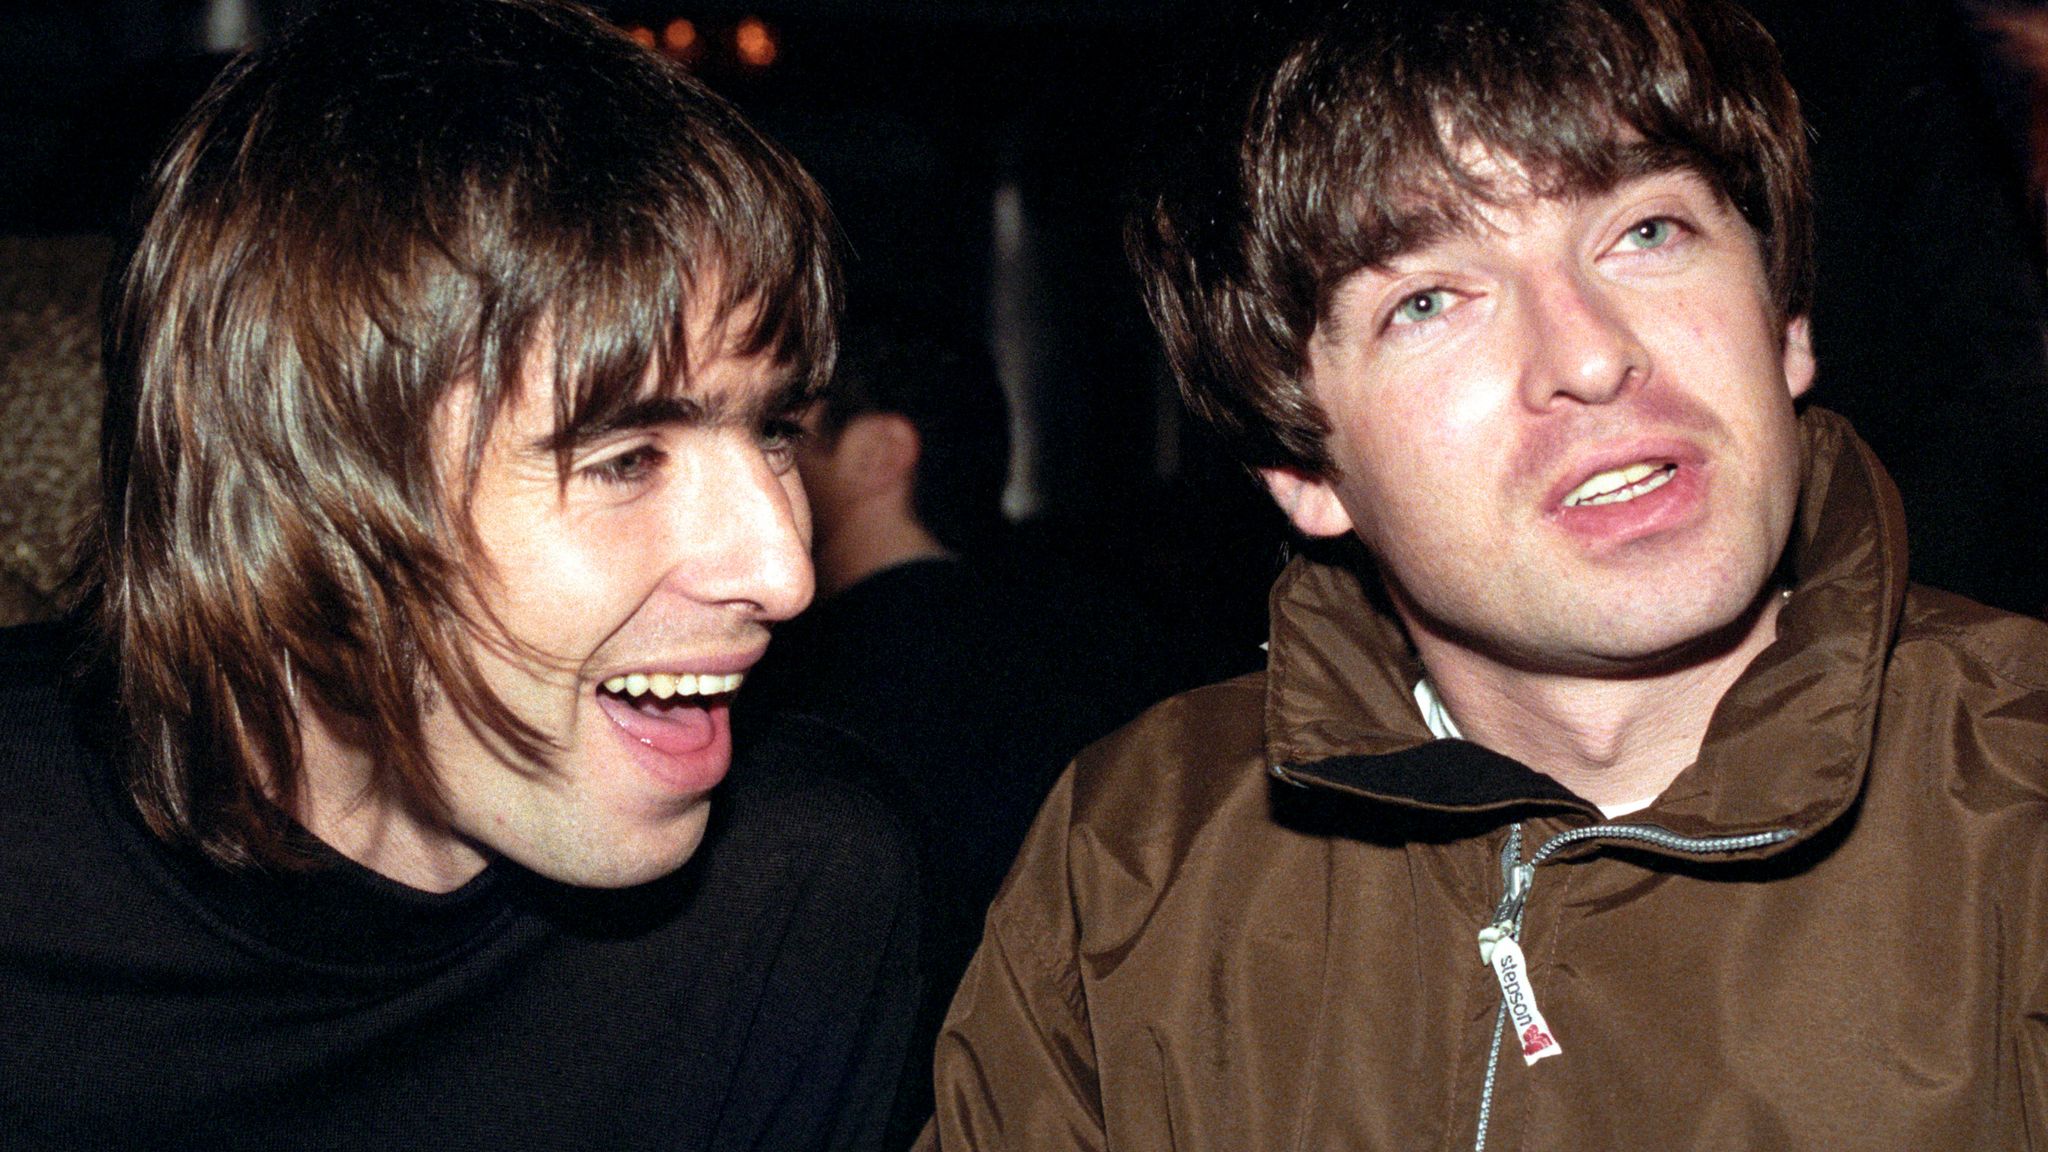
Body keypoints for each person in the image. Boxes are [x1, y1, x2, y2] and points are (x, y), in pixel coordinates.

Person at [918, 0, 2048, 1148]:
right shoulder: (1132, 861)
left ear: (1785, 319)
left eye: (1644, 233)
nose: (1591, 354)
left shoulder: (2018, 795)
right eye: (1427, 301)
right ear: (1301, 464)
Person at [0, 1, 921, 1147]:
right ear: (303, 496)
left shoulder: (797, 893)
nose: (781, 571)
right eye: (626, 457)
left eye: (775, 431)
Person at [741, 316, 1181, 1144]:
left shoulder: (820, 690)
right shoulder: (1086, 651)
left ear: (878, 453)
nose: (761, 469)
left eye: (781, 434)